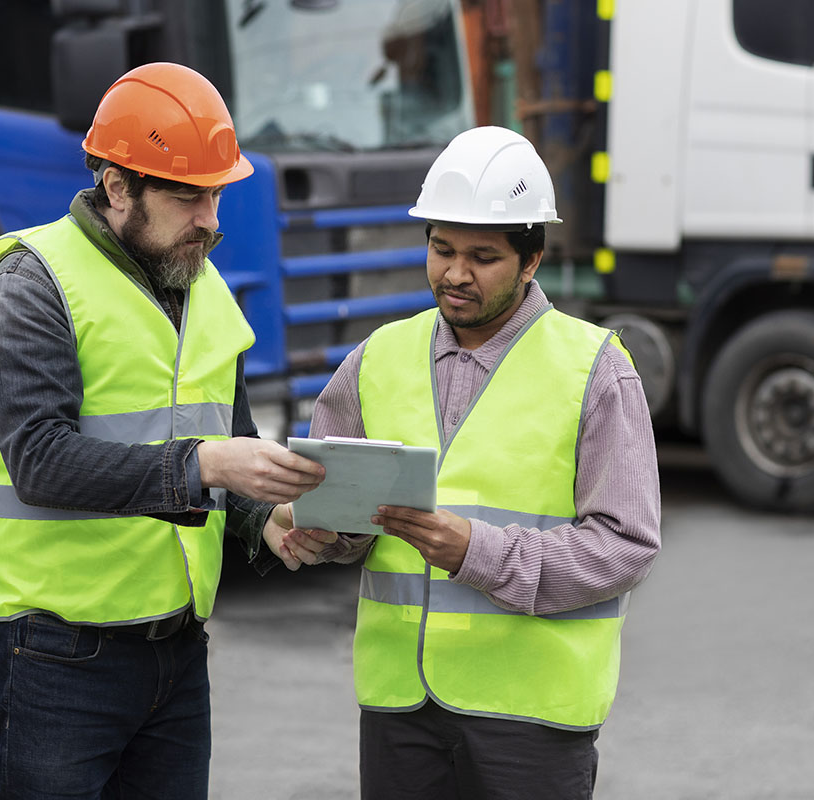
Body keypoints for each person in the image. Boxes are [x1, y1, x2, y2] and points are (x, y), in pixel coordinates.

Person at [0, 63, 333, 800]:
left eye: (216, 193)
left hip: (178, 653)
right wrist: (208, 467)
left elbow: (230, 436)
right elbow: (40, 461)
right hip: (56, 656)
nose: (210, 218)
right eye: (186, 195)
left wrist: (268, 524)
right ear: (117, 188)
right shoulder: (30, 282)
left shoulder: (201, 280)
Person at [284, 126, 662, 799]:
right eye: (442, 249)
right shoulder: (375, 361)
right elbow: (342, 522)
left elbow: (626, 547)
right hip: (401, 706)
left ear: (532, 259)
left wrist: (477, 551)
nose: (456, 273)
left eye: (483, 256)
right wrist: (321, 531)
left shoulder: (594, 370)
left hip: (531, 716)